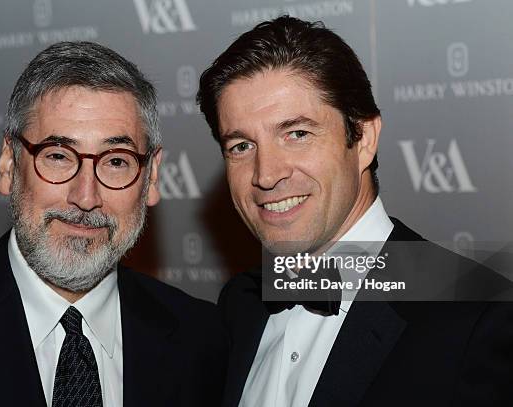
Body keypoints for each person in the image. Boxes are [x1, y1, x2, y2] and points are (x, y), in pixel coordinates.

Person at [197, 16, 513, 407]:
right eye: (241, 146)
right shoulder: (240, 305)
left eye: (297, 134)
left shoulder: (480, 321)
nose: (266, 174)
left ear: (363, 139)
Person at [0, 41, 226, 407]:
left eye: (116, 161)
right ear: (9, 164)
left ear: (151, 177)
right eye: (57, 156)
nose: (85, 197)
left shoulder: (204, 342)